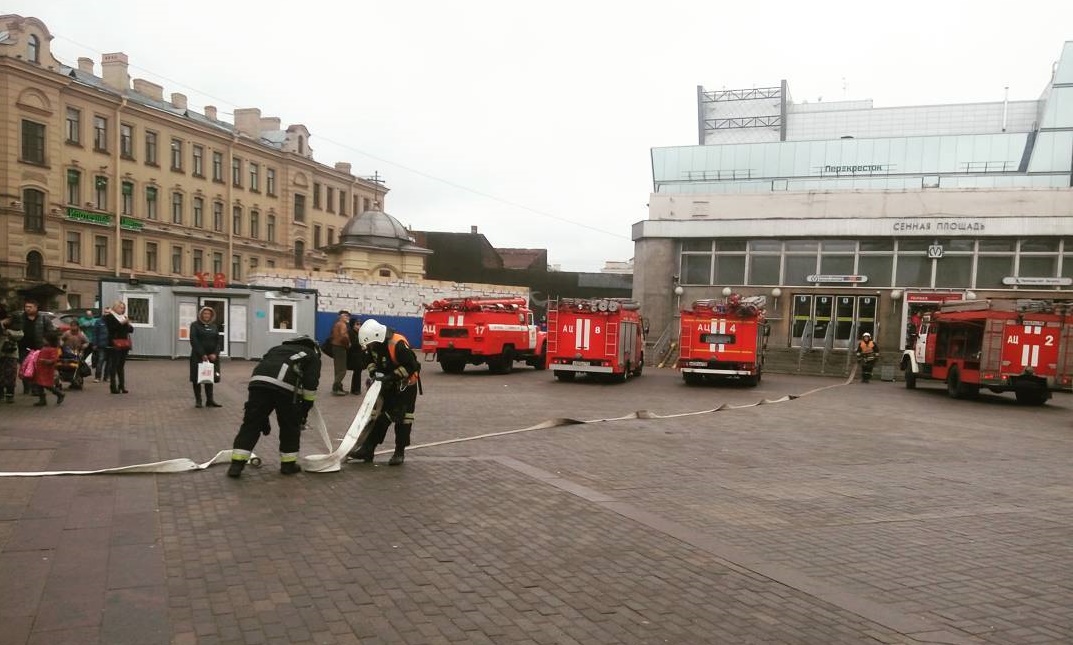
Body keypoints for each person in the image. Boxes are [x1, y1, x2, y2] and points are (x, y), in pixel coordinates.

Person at [226, 335, 321, 478]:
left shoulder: (276, 349)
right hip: (285, 389)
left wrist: (262, 416)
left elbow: (263, 368)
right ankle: (288, 465)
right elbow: (311, 382)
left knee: (251, 424)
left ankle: (236, 465)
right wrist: (305, 407)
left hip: (257, 384)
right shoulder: (311, 355)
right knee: (289, 426)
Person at [347, 318, 422, 466]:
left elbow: (412, 366)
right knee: (377, 417)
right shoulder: (373, 345)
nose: (369, 347)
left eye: (370, 344)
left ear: (376, 337)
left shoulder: (397, 344)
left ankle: (399, 452)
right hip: (386, 385)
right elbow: (368, 361)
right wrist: (374, 373)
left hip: (405, 386)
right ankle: (368, 450)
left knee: (402, 419)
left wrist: (390, 376)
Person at [14, 298, 54, 395]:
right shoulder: (20, 318)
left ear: (36, 308)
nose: (27, 309)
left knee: (37, 368)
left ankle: (35, 388)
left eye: (30, 307)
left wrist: (47, 342)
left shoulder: (44, 319)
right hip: (23, 347)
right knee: (25, 367)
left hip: (38, 348)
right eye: (26, 307)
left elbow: (51, 332)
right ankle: (27, 387)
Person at [189, 305, 223, 408]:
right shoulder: (195, 325)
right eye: (204, 313)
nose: (206, 315)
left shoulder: (214, 326)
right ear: (201, 314)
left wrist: (215, 354)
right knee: (197, 378)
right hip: (198, 356)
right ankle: (198, 401)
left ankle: (210, 400)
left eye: (208, 313)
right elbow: (194, 340)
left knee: (210, 378)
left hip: (212, 357)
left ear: (211, 315)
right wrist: (202, 354)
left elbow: (218, 341)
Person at [103, 301, 134, 394]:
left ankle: (122, 386)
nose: (122, 309)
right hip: (114, 343)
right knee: (114, 365)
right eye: (121, 307)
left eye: (123, 308)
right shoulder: (109, 317)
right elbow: (112, 328)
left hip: (124, 343)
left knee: (121, 366)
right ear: (115, 307)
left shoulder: (123, 317)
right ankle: (113, 386)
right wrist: (122, 322)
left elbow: (131, 330)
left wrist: (128, 324)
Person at [32, 330, 65, 407]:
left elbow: (54, 359)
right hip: (40, 369)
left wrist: (46, 361)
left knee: (47, 385)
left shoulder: (53, 349)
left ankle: (59, 394)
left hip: (47, 370)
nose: (43, 340)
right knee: (39, 384)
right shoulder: (44, 348)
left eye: (45, 339)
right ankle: (42, 400)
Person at [0, 310, 23, 404]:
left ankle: (10, 394)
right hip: (1, 353)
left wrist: (8, 332)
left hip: (11, 354)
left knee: (10, 374)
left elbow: (20, 335)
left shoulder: (16, 326)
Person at [329, 309, 351, 395]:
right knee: (342, 370)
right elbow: (343, 336)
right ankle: (335, 389)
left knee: (338, 370)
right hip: (340, 348)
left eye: (348, 316)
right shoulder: (342, 325)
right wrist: (348, 344)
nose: (347, 317)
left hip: (335, 347)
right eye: (345, 316)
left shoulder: (336, 324)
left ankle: (339, 388)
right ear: (340, 317)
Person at [346, 316, 365, 395]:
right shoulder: (350, 333)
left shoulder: (357, 333)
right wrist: (361, 346)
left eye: (360, 324)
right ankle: (356, 390)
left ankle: (355, 389)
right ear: (352, 325)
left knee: (357, 372)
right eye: (357, 324)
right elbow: (353, 344)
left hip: (357, 355)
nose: (359, 326)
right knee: (357, 372)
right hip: (354, 356)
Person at [91, 307, 110, 382]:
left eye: (108, 313)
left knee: (109, 362)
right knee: (100, 360)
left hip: (110, 344)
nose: (107, 314)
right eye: (105, 312)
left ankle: (106, 377)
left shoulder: (112, 322)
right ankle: (97, 377)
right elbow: (94, 333)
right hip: (101, 344)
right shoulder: (98, 321)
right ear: (103, 313)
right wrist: (94, 344)